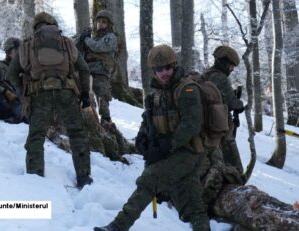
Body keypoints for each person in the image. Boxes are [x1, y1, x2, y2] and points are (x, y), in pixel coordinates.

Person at [94, 45, 210, 231]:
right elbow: (148, 120)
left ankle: (117, 226)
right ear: (153, 71)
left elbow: (192, 124)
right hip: (172, 153)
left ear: (174, 65)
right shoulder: (156, 94)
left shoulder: (187, 90)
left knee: (148, 181)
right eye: (158, 69)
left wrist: (166, 146)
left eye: (167, 68)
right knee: (191, 206)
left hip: (189, 151)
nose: (164, 73)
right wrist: (142, 138)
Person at [6, 12, 93, 189]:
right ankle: (84, 179)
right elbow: (84, 69)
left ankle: (35, 177)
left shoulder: (27, 45)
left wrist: (23, 95)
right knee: (77, 134)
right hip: (67, 94)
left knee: (36, 136)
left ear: (36, 26)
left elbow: (11, 74)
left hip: (40, 95)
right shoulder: (66, 42)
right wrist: (85, 94)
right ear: (53, 24)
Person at [204, 46, 245, 173]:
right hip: (221, 129)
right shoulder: (221, 78)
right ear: (224, 63)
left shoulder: (206, 75)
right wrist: (240, 104)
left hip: (208, 129)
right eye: (231, 66)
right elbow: (233, 103)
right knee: (235, 167)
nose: (232, 70)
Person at [80, 9, 117, 124]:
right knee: (87, 99)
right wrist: (83, 37)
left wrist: (86, 39)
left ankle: (106, 122)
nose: (100, 24)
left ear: (109, 24)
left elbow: (99, 47)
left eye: (104, 22)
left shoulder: (110, 37)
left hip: (101, 71)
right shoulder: (93, 37)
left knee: (103, 98)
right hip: (88, 71)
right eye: (99, 21)